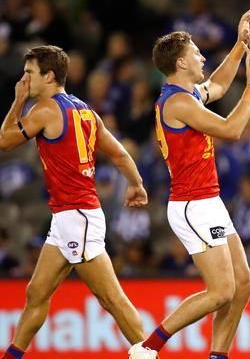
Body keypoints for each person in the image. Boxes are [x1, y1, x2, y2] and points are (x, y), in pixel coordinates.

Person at [128, 10, 250, 359]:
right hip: (192, 205)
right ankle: (148, 348)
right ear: (180, 62)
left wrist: (239, 46)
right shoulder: (177, 103)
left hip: (207, 201)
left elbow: (218, 86)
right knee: (221, 291)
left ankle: (217, 355)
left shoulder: (185, 96)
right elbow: (232, 130)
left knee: (243, 284)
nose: (202, 57)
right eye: (196, 53)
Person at [0, 45, 148, 359]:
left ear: (49, 75)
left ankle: (151, 353)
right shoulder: (86, 111)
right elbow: (119, 153)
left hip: (77, 215)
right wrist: (136, 183)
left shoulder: (44, 109)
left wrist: (17, 101)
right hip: (69, 217)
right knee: (36, 293)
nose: (24, 79)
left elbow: (4, 140)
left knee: (112, 300)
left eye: (29, 73)